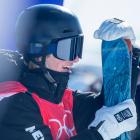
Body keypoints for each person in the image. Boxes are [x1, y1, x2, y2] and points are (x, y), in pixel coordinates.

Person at [0, 4, 137, 140]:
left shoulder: (62, 98)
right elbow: (103, 128)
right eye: (68, 49)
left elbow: (111, 105)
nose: (76, 59)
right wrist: (99, 135)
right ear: (38, 50)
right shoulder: (11, 103)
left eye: (78, 47)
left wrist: (126, 53)